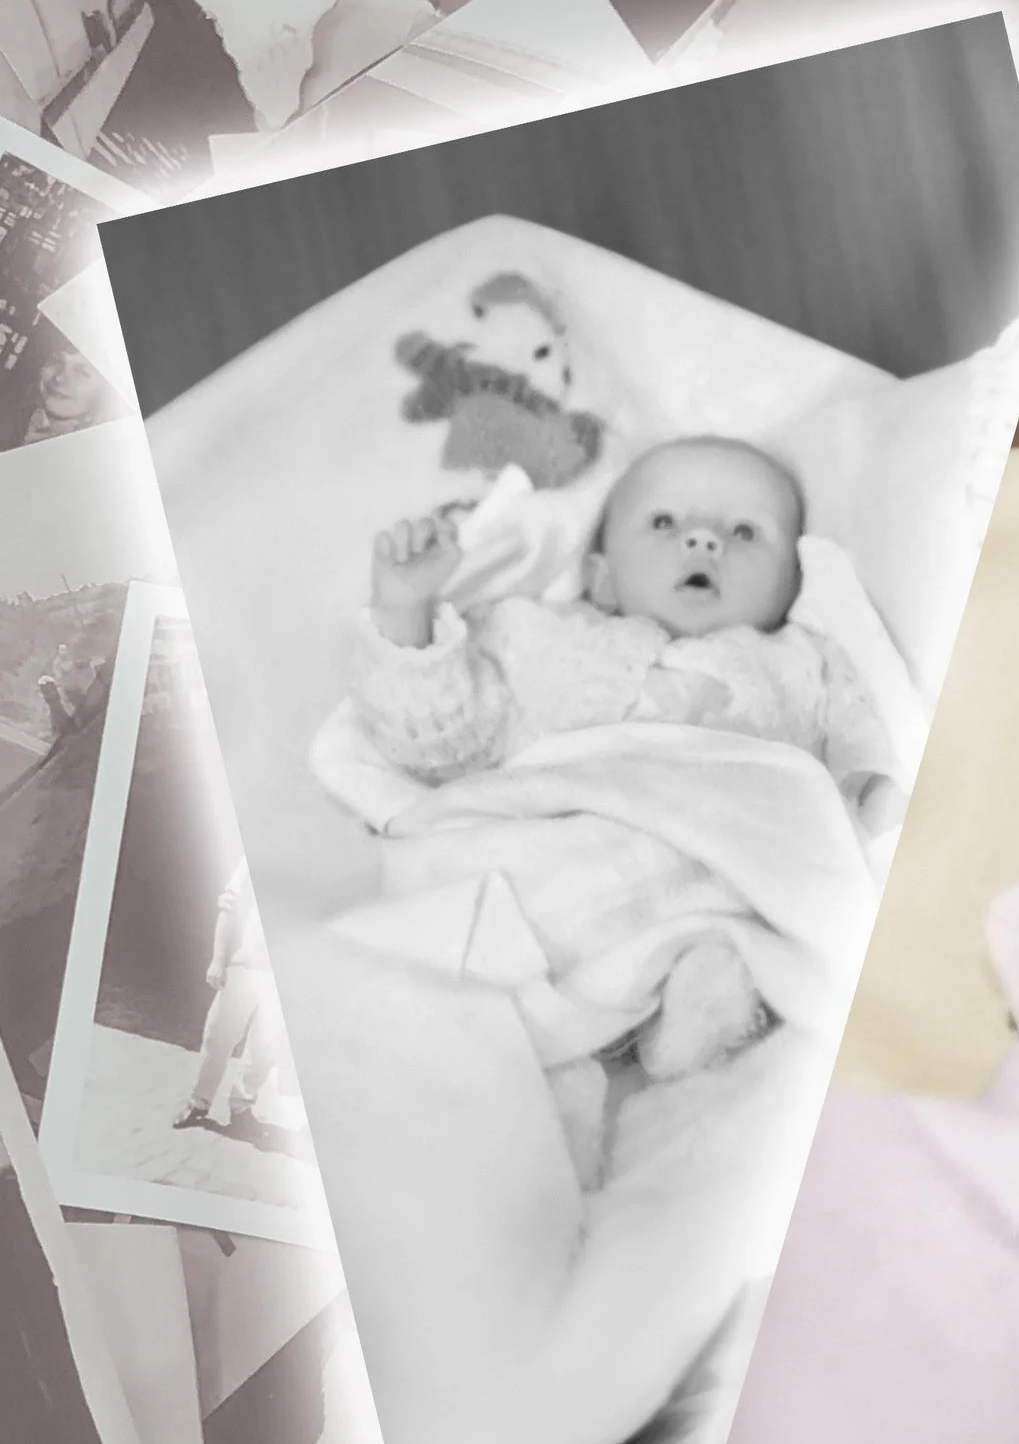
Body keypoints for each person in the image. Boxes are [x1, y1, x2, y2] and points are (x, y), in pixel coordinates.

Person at [354, 435, 901, 1079]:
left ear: (791, 586)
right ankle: (564, 1022)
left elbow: (867, 775)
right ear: (601, 576)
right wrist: (405, 610)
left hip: (707, 858)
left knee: (753, 901)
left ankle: (690, 1002)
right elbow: (438, 744)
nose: (703, 541)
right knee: (478, 904)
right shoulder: (535, 635)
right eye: (664, 522)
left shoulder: (805, 663)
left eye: (745, 532)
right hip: (548, 845)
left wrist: (875, 823)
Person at [175, 857, 291, 1135]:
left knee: (264, 1048)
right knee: (218, 1039)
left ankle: (242, 1107)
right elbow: (229, 908)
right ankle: (198, 1103)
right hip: (244, 967)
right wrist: (218, 959)